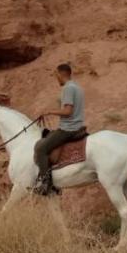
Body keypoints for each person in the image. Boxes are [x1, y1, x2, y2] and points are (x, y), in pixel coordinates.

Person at [33, 62, 86, 196]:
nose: (55, 78)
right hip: (77, 126)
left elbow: (68, 111)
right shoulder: (77, 87)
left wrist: (49, 111)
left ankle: (46, 184)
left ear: (60, 74)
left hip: (68, 129)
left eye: (55, 75)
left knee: (41, 148)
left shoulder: (68, 88)